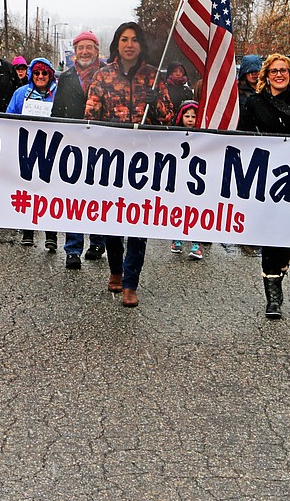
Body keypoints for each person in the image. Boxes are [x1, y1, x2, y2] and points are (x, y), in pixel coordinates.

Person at [85, 22, 174, 307]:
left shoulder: (153, 77)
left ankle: (130, 282)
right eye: (124, 39)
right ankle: (115, 268)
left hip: (145, 160)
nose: (129, 44)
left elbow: (168, 117)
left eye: (134, 40)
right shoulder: (103, 76)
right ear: (117, 44)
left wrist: (156, 100)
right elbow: (90, 117)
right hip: (112, 158)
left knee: (139, 220)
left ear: (141, 45)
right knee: (113, 216)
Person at [238, 54, 290, 319]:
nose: (279, 75)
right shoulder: (255, 103)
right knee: (272, 233)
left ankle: (280, 268)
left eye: (283, 70)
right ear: (266, 75)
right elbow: (244, 136)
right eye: (274, 71)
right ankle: (273, 297)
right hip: (267, 176)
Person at [52, 30, 106, 269]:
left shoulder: (107, 76)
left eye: (89, 47)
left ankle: (97, 241)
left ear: (96, 50)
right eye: (80, 48)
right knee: (74, 196)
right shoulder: (65, 78)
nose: (85, 51)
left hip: (101, 144)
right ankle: (72, 249)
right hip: (72, 145)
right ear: (74, 52)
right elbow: (57, 112)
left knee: (97, 194)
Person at [7, 57, 59, 252]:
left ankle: (51, 233)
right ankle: (28, 230)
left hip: (52, 148)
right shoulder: (21, 93)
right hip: (26, 147)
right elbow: (9, 116)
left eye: (44, 73)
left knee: (49, 190)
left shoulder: (58, 94)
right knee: (27, 190)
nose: (40, 76)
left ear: (50, 75)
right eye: (36, 73)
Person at [170, 99, 205, 261]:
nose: (190, 119)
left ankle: (197, 243)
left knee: (196, 210)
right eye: (187, 116)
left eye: (193, 116)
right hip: (179, 178)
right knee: (178, 208)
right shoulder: (174, 135)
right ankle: (177, 238)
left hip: (198, 180)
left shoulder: (204, 136)